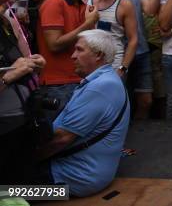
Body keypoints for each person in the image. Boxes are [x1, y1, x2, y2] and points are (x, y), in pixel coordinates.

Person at [36, 30, 130, 197]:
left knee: (6, 193)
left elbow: (60, 140)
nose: (73, 56)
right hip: (81, 173)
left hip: (71, 180)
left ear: (98, 55)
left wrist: (22, 160)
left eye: (79, 50)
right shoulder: (105, 79)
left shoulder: (99, 87)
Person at [0, 0, 46, 184]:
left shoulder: (6, 21)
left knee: (22, 186)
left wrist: (32, 63)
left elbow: (17, 62)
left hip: (19, 119)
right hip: (4, 125)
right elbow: (11, 71)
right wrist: (11, 75)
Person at [37, 0, 98, 120]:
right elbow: (54, 45)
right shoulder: (54, 3)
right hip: (57, 84)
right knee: (58, 140)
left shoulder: (83, 6)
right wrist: (88, 24)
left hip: (79, 81)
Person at [114, 0, 169, 119]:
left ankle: (141, 138)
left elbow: (150, 11)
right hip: (118, 53)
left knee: (145, 101)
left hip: (141, 52)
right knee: (120, 100)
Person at [86, 0, 138, 73]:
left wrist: (123, 68)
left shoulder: (125, 5)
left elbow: (133, 40)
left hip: (113, 68)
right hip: (86, 65)